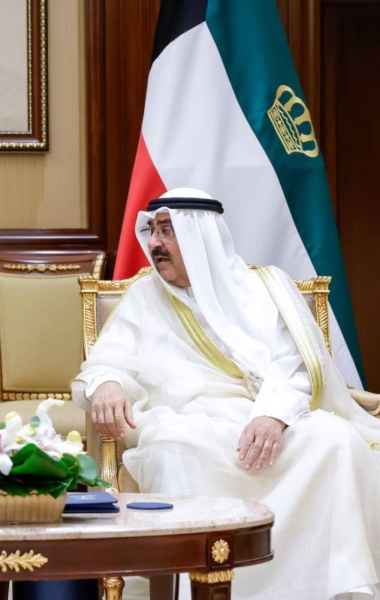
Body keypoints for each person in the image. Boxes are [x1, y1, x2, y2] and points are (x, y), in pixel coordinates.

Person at [72, 188, 380, 600]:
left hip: (268, 415)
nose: (155, 243)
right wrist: (108, 383)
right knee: (173, 449)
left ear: (199, 235)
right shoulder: (145, 296)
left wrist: (272, 415)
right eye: (153, 231)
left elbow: (297, 365)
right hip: (189, 422)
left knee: (336, 440)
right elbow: (105, 361)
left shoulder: (266, 288)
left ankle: (324, 589)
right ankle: (198, 590)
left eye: (167, 231)